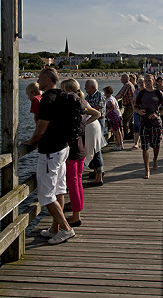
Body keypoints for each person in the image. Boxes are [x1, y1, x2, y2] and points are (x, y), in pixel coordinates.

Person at [21, 67, 76, 245]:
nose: (37, 81)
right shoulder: (62, 96)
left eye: (39, 78)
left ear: (47, 79)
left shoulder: (47, 100)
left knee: (46, 194)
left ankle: (66, 229)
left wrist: (30, 142)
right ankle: (55, 228)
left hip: (50, 151)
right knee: (59, 188)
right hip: (63, 148)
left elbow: (40, 129)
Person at [59, 78, 100, 226]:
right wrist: (84, 124)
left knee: (72, 182)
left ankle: (76, 216)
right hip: (82, 146)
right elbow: (97, 114)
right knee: (78, 181)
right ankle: (78, 211)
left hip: (73, 148)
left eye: (62, 90)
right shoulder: (82, 102)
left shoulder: (70, 104)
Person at [135, 74, 163, 179]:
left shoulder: (158, 93)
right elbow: (135, 106)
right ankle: (147, 169)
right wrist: (139, 111)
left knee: (156, 145)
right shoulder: (141, 94)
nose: (147, 82)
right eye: (145, 81)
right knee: (144, 147)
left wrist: (158, 114)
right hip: (144, 123)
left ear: (153, 81)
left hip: (156, 123)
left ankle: (154, 159)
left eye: (149, 80)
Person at [84, 79, 107, 185]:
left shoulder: (100, 95)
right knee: (92, 147)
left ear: (93, 87)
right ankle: (96, 170)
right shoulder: (87, 97)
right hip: (91, 122)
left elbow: (96, 109)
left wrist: (86, 110)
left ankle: (100, 174)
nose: (85, 89)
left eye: (87, 87)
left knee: (97, 148)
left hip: (98, 121)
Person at [115, 73, 135, 140]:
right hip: (132, 105)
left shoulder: (127, 85)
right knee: (130, 121)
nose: (121, 80)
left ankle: (125, 135)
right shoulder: (130, 84)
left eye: (122, 78)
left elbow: (120, 93)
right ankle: (132, 134)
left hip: (129, 106)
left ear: (126, 78)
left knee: (125, 120)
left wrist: (114, 99)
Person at [103, 86, 123, 150]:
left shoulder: (109, 99)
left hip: (113, 116)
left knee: (116, 130)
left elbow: (112, 107)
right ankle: (120, 144)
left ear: (107, 92)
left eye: (105, 92)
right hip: (117, 115)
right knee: (118, 130)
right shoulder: (112, 98)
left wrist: (105, 108)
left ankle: (118, 144)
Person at [131, 76, 145, 149]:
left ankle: (145, 142)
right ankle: (136, 143)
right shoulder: (136, 91)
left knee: (146, 126)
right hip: (137, 110)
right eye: (139, 83)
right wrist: (136, 109)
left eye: (142, 82)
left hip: (146, 110)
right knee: (137, 126)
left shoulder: (147, 91)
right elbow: (133, 101)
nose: (141, 84)